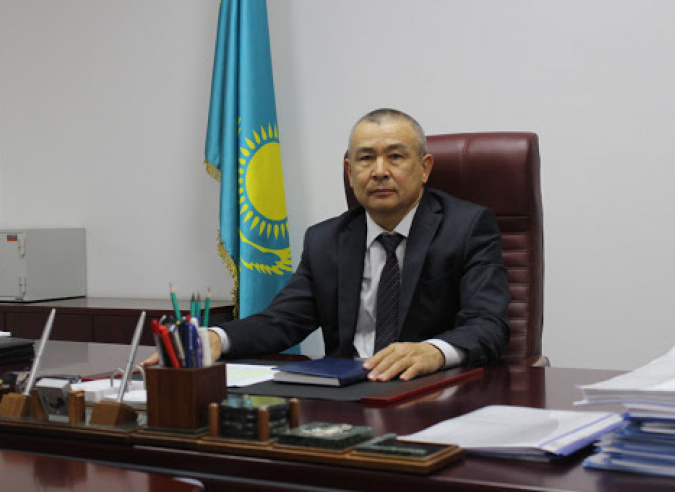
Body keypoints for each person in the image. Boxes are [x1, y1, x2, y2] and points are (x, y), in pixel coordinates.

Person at [147, 108, 510, 381]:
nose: (379, 171)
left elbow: (488, 323)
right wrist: (215, 338)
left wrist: (434, 351)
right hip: (345, 392)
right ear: (350, 172)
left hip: (428, 389)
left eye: (395, 157)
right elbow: (281, 322)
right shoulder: (326, 240)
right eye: (365, 159)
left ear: (425, 167)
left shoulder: (467, 227)